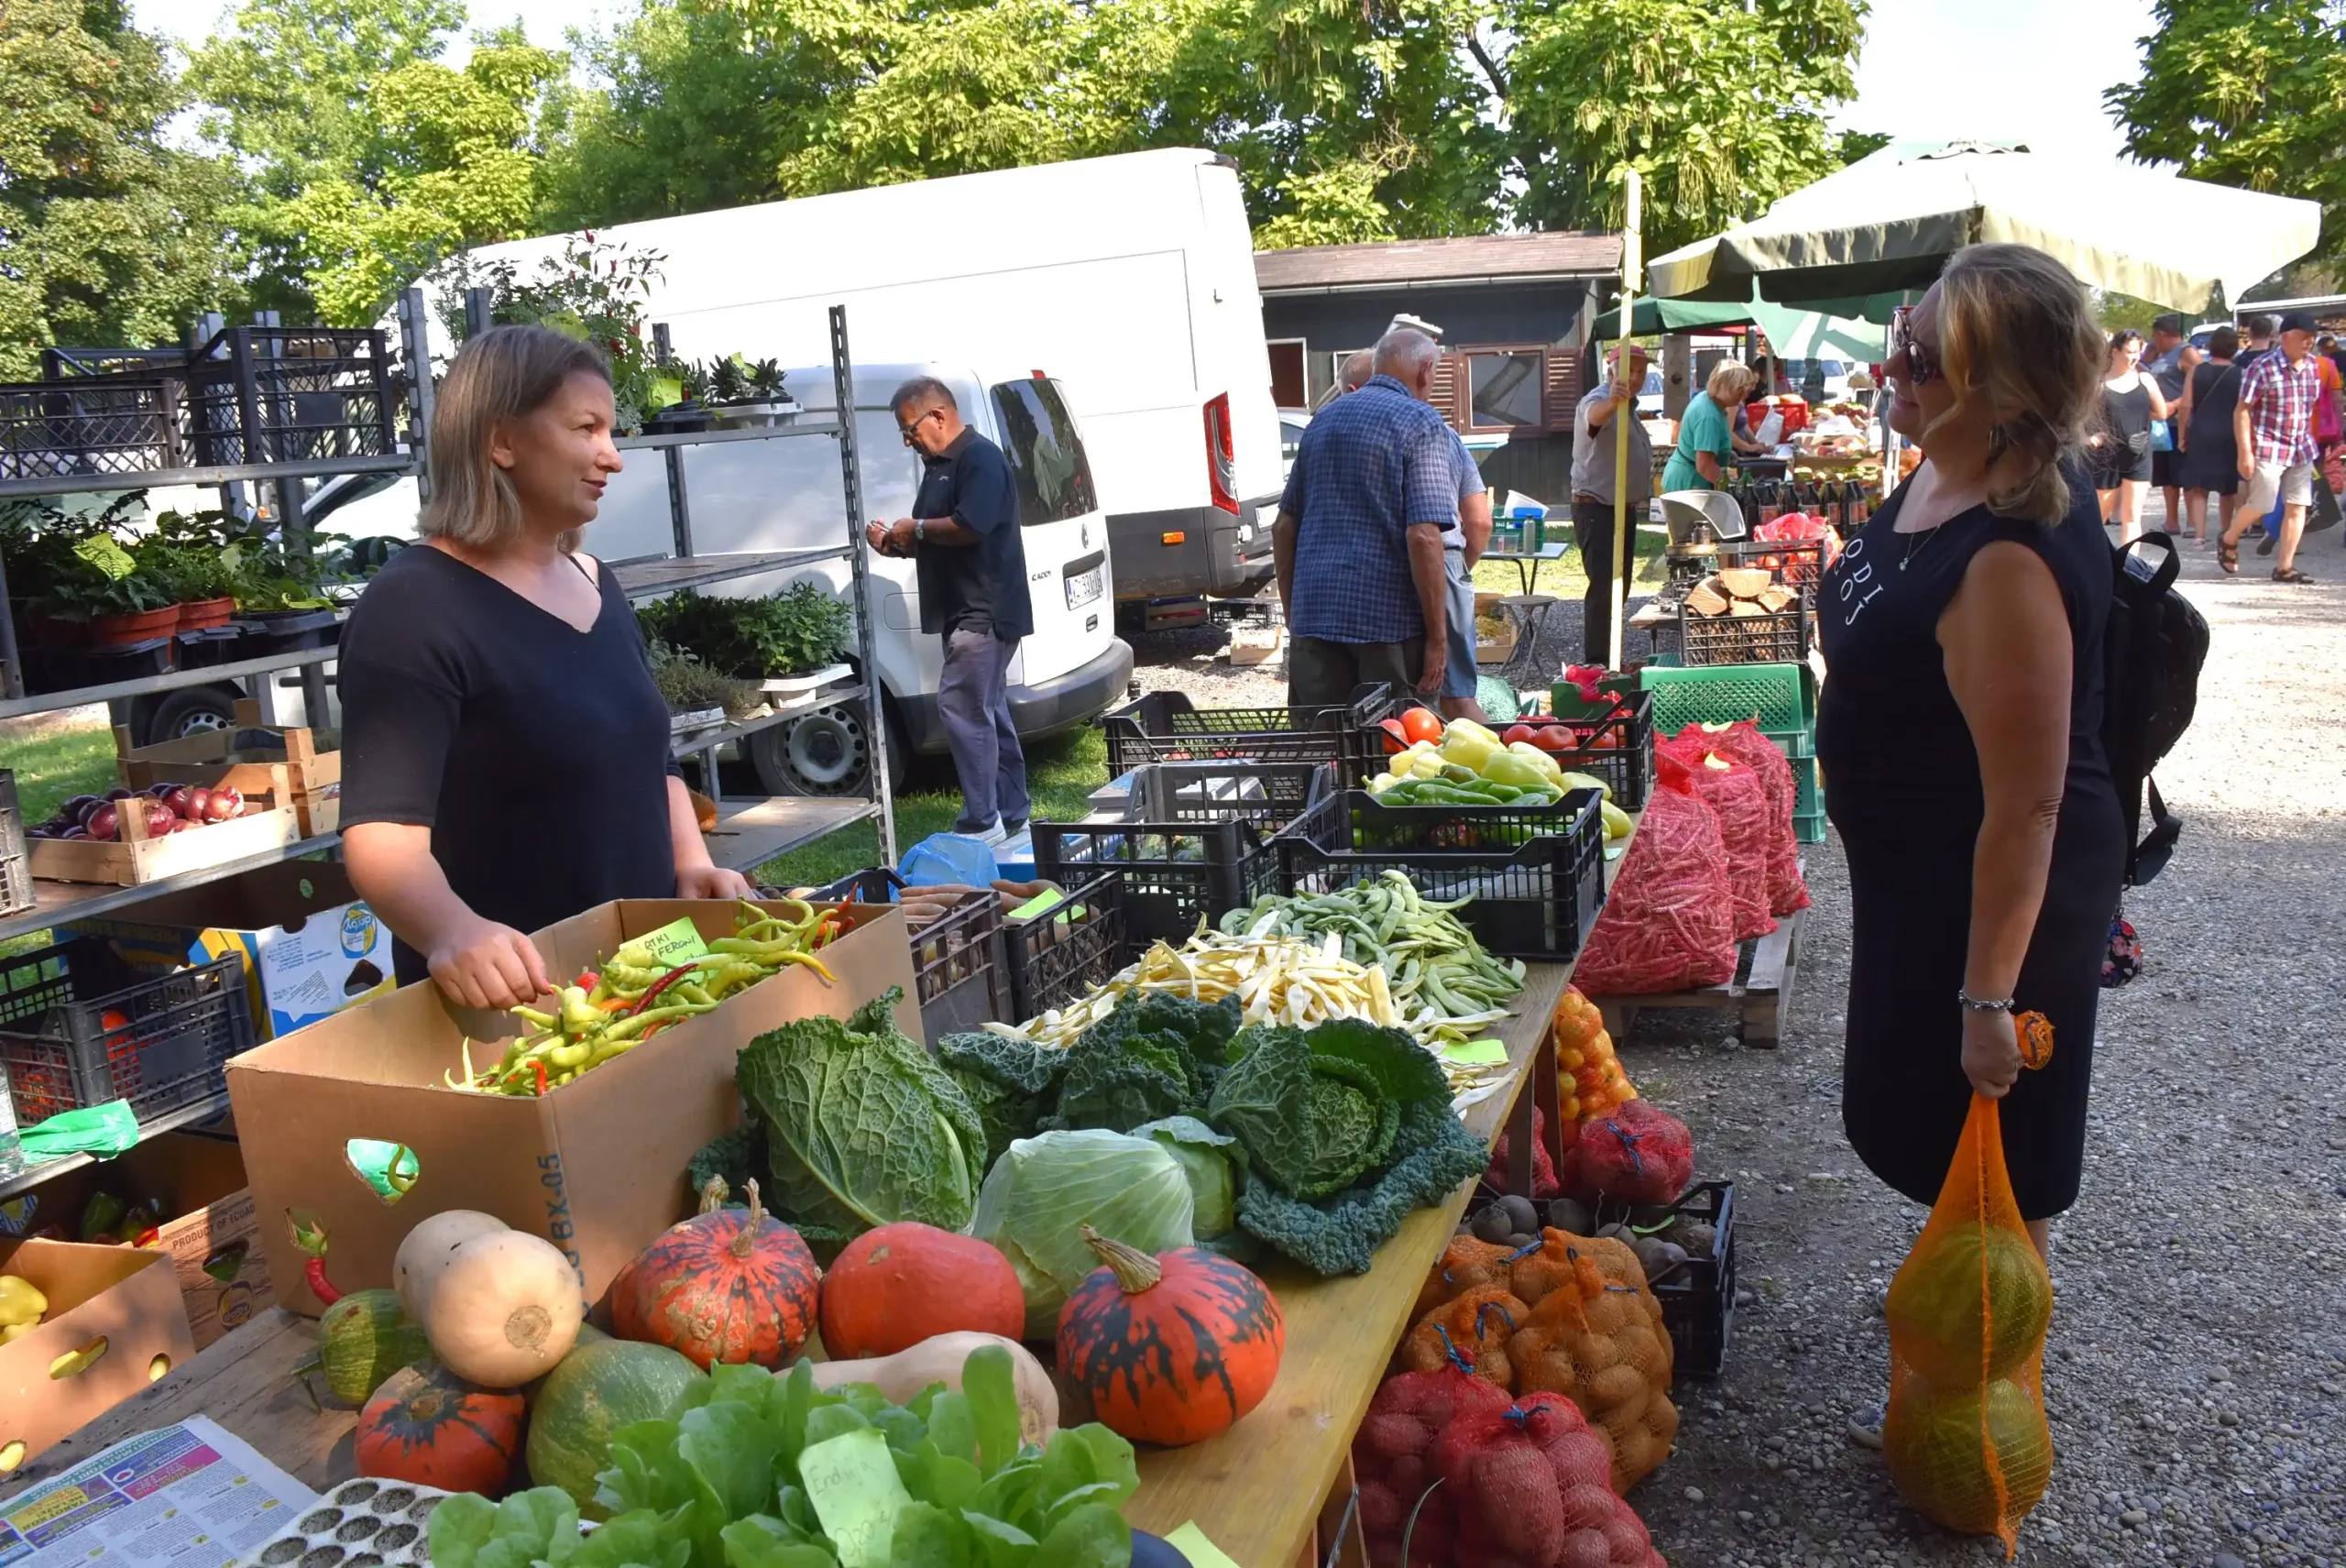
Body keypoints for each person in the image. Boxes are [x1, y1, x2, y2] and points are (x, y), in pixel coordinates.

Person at [1819, 242, 2123, 1298]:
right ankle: (1954, 1334)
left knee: (2000, 1154)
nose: (1890, 370)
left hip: (1991, 899)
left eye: (1920, 358)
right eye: (1902, 340)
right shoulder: (1952, 463)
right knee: (1935, 1133)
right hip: (1922, 882)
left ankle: (1988, 1414)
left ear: (1999, 390)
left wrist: (1989, 998)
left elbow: (2030, 802)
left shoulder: (2004, 553)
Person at [340, 325, 753, 1007]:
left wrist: (690, 860)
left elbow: (653, 757)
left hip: (647, 979)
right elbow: (382, 836)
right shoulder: (414, 606)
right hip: (518, 1010)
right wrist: (451, 930)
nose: (612, 457)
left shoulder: (599, 584)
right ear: (501, 440)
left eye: (610, 431)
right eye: (586, 428)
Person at [865, 376, 1033, 839]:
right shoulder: (939, 465)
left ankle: (982, 821)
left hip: (985, 611)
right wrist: (894, 543)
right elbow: (939, 538)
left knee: (961, 708)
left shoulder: (979, 459)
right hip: (962, 611)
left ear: (938, 415)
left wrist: (915, 528)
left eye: (910, 429)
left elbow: (970, 526)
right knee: (987, 710)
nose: (907, 441)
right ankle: (1012, 814)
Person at [1273, 328, 1456, 707]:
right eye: (1435, 376)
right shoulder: (1421, 422)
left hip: (1316, 616)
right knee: (1395, 750)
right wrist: (1438, 639)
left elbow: (1283, 526)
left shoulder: (1321, 421)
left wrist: (1295, 614)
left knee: (1324, 747)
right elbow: (1423, 537)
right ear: (1424, 370)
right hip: (1387, 625)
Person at [2216, 309, 2324, 583]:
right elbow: (2242, 410)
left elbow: (2310, 408)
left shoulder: (2313, 366)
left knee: (2298, 506)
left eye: (2313, 337)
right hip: (2269, 448)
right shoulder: (2262, 367)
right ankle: (2229, 538)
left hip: (2301, 448)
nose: (2310, 342)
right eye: (2304, 337)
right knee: (2262, 505)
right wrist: (2245, 452)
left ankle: (2284, 567)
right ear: (2286, 337)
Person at [1570, 345, 1654, 668]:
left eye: (1641, 372)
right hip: (1598, 508)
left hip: (1622, 508)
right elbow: (1593, 417)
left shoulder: (1630, 408)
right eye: (1629, 370)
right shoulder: (1598, 399)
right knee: (1605, 587)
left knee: (1620, 586)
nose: (1635, 378)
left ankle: (1610, 658)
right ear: (1611, 371)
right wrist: (1612, 402)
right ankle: (1596, 663)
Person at [2087, 328, 2166, 541]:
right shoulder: (2098, 383)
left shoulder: (2145, 379)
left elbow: (2161, 412)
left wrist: (2136, 420)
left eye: (2138, 351)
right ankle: (2096, 566)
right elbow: (2077, 418)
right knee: (2099, 518)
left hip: (2138, 451)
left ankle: (2129, 569)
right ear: (2115, 351)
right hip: (2106, 455)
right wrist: (2089, 438)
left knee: (2132, 517)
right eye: (2130, 352)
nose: (2135, 357)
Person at [2175, 325, 2243, 545]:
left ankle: (2199, 536)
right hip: (2229, 433)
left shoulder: (2197, 371)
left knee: (2198, 487)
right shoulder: (2240, 373)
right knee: (2227, 489)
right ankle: (2225, 531)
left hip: (2201, 432)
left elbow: (2185, 406)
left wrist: (2182, 435)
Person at [1661, 360, 1754, 492]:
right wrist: (1734, 490)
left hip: (1687, 477)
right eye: (1739, 390)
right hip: (1690, 483)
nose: (1743, 396)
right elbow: (1705, 466)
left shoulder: (1709, 400)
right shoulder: (1709, 415)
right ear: (1724, 386)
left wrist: (1726, 453)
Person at [2143, 314, 2198, 532]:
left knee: (2185, 473)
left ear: (2162, 334)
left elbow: (2199, 383)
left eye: (2155, 336)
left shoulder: (2187, 353)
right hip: (2160, 425)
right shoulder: (2159, 354)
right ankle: (2171, 520)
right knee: (2166, 475)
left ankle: (2192, 521)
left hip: (2181, 423)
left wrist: (2175, 404)